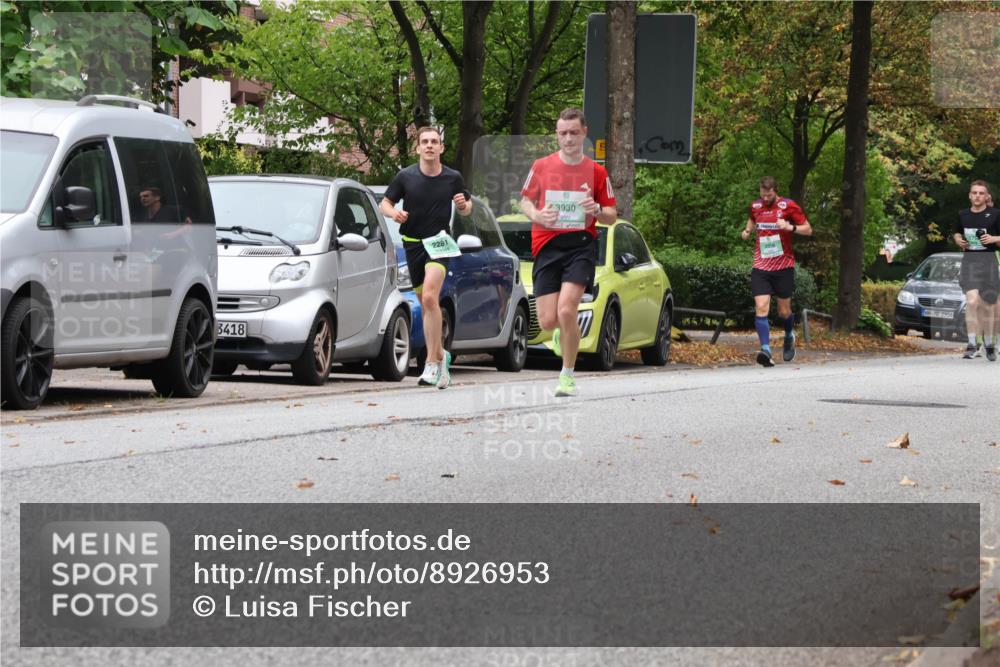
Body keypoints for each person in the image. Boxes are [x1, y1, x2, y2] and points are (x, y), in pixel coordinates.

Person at [520, 108, 617, 397]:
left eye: (574, 132)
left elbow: (612, 214)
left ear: (584, 132)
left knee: (567, 308)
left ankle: (567, 376)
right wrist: (538, 215)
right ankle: (563, 330)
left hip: (580, 246)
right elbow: (524, 202)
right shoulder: (541, 166)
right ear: (557, 135)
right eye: (563, 133)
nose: (569, 138)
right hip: (547, 246)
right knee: (549, 320)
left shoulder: (597, 171)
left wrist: (597, 210)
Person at [380, 127, 472, 389]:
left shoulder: (453, 177)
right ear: (418, 148)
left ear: (441, 148)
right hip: (412, 244)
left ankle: (431, 363)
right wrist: (393, 214)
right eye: (425, 142)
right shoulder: (405, 176)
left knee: (431, 297)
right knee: (426, 304)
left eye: (434, 142)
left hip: (440, 243)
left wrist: (464, 206)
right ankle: (443, 356)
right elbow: (384, 203)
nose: (430, 145)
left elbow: (467, 206)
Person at [741, 176, 813, 367]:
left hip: (783, 267)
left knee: (784, 312)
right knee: (762, 306)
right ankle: (766, 350)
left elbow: (808, 229)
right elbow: (751, 219)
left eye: (769, 195)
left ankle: (789, 335)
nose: (765, 198)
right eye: (762, 195)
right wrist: (747, 231)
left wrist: (790, 227)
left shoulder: (788, 206)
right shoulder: (756, 206)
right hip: (761, 266)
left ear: (775, 191)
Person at [953, 180, 1000, 361]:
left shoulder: (996, 214)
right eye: (974, 193)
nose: (978, 196)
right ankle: (972, 344)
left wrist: (994, 238)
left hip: (988, 261)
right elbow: (957, 232)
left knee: (988, 305)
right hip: (970, 261)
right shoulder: (963, 215)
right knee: (972, 302)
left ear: (986, 196)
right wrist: (958, 240)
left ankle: (989, 343)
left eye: (981, 193)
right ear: (970, 195)